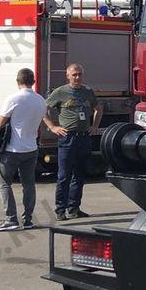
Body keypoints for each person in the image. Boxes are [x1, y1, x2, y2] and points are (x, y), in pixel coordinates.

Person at [44, 63, 103, 221]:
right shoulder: (60, 92)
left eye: (79, 74)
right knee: (64, 175)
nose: (77, 77)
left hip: (83, 137)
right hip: (68, 137)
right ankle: (60, 210)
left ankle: (74, 208)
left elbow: (98, 108)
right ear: (68, 76)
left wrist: (95, 126)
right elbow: (43, 109)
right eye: (74, 75)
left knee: (79, 174)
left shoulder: (87, 92)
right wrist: (53, 127)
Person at [0, 69, 46, 232]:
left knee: (4, 183)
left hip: (12, 149)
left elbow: (0, 123)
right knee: (28, 185)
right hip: (31, 148)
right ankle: (28, 219)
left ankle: (10, 219)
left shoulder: (13, 99)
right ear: (33, 81)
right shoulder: (40, 100)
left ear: (17, 82)